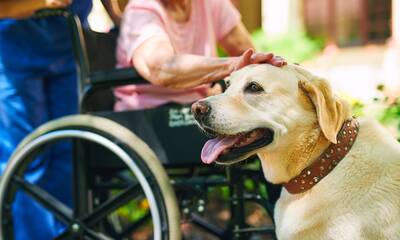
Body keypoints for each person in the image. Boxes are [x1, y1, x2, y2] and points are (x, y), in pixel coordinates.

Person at [0, 1, 120, 239]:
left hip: (68, 45)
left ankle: (66, 235)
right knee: (26, 159)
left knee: (71, 153)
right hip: (13, 47)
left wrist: (124, 23)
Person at [114, 0, 286, 111]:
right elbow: (162, 68)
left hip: (200, 106)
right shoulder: (141, 11)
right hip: (150, 112)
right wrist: (230, 66)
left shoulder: (211, 3)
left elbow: (246, 51)